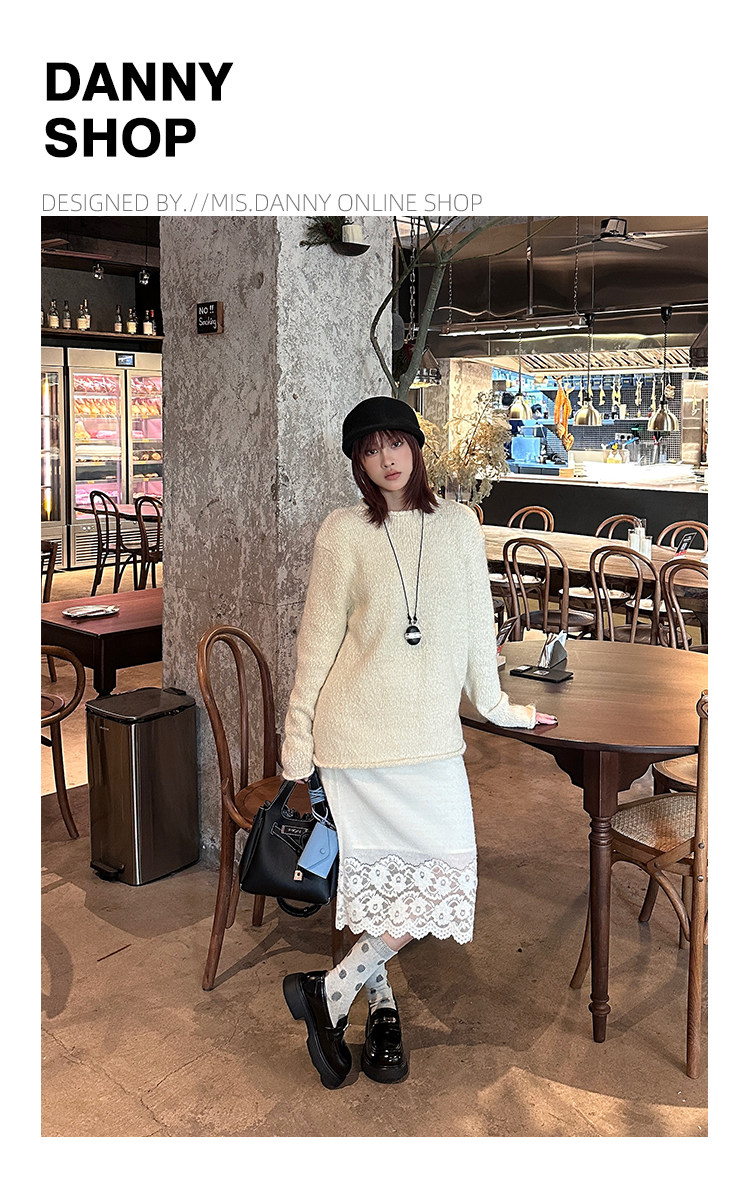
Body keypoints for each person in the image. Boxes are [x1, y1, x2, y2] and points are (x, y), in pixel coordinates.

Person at [281, 395, 556, 1089]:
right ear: (358, 463)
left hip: (430, 742)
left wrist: (502, 708)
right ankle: (379, 1012)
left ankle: (330, 991)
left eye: (395, 443)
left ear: (416, 447)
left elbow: (476, 629)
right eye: (370, 450)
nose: (387, 460)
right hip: (355, 741)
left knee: (444, 876)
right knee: (376, 890)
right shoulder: (343, 532)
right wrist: (297, 743)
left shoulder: (459, 525)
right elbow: (317, 644)